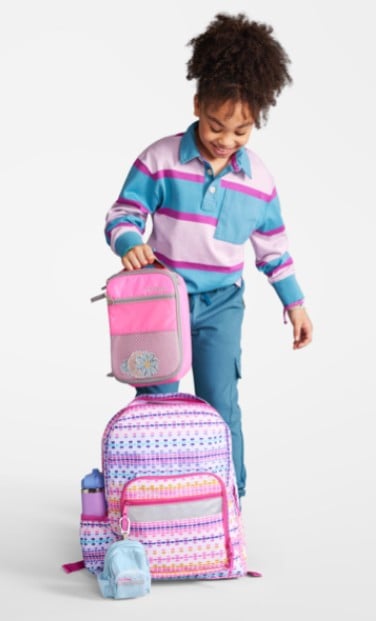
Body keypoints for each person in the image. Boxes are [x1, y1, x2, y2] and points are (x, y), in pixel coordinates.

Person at [104, 13, 313, 499]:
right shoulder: (159, 159)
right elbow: (122, 212)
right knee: (156, 400)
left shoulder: (259, 181)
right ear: (197, 105)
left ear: (255, 123)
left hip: (222, 306)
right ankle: (152, 498)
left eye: (240, 132)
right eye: (216, 125)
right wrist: (130, 241)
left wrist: (295, 303)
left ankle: (227, 500)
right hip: (160, 303)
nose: (225, 139)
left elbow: (273, 249)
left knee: (220, 402)